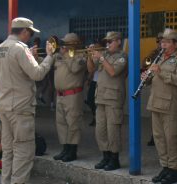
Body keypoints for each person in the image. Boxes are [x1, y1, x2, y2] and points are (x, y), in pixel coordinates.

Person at [0, 17, 53, 184]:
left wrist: (31, 57)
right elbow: (37, 74)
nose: (30, 36)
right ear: (25, 31)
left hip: (5, 106)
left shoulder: (1, 48)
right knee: (24, 151)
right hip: (20, 108)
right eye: (30, 33)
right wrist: (49, 57)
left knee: (8, 151)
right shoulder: (20, 49)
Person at [147, 28, 177, 183]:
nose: (162, 44)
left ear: (176, 44)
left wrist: (161, 72)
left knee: (171, 138)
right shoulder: (158, 58)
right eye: (161, 42)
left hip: (171, 105)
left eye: (166, 42)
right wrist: (146, 77)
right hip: (156, 102)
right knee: (159, 138)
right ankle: (165, 167)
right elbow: (153, 78)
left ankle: (174, 170)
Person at [88, 31, 128, 171]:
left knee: (113, 130)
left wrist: (101, 58)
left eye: (110, 41)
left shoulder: (122, 56)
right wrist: (90, 55)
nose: (107, 44)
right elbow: (91, 70)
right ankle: (105, 157)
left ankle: (114, 159)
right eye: (107, 42)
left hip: (113, 98)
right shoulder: (103, 55)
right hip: (101, 97)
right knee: (100, 130)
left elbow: (112, 72)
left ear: (118, 41)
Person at [50, 33, 87, 162]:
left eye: (66, 43)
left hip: (73, 95)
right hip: (60, 95)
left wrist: (67, 55)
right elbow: (47, 64)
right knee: (61, 123)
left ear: (74, 44)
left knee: (73, 123)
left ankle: (72, 151)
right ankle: (65, 149)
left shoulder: (81, 56)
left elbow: (75, 69)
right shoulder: (59, 56)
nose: (63, 45)